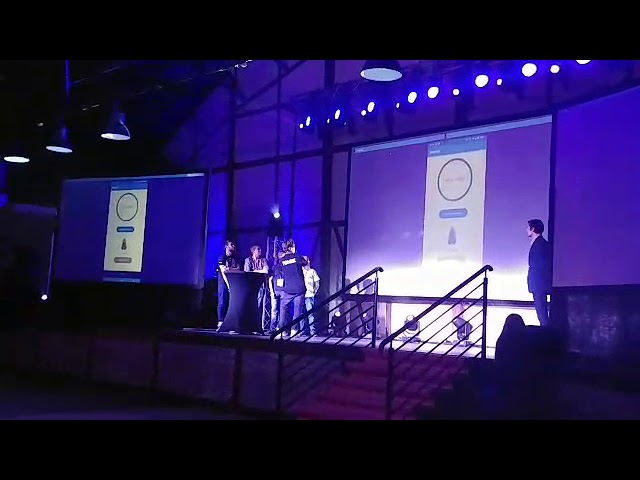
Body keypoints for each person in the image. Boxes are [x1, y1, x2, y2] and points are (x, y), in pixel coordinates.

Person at [277, 239, 307, 338]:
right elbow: (305, 262)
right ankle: (294, 330)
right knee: (297, 311)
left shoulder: (282, 260)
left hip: (288, 288)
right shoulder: (297, 256)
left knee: (283, 310)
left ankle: (281, 330)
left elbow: (280, 270)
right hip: (299, 288)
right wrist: (295, 253)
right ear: (292, 246)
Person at [526, 219, 552, 327]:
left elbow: (540, 266)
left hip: (539, 284)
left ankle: (545, 331)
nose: (526, 230)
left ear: (532, 229)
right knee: (541, 311)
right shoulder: (539, 243)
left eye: (528, 227)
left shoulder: (540, 245)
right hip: (538, 284)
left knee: (541, 311)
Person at [244, 245, 269, 331]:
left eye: (260, 249)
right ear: (253, 251)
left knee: (259, 306)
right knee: (250, 306)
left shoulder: (263, 260)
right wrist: (260, 272)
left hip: (261, 286)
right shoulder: (248, 260)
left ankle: (258, 327)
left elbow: (266, 271)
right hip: (250, 286)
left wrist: (255, 271)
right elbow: (247, 272)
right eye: (258, 250)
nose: (260, 251)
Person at [217, 240, 240, 325]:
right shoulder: (222, 257)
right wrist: (228, 284)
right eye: (231, 244)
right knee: (222, 301)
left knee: (231, 303)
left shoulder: (235, 258)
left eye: (234, 244)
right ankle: (220, 322)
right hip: (223, 283)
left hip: (233, 283)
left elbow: (238, 269)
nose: (233, 246)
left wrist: (229, 269)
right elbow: (224, 271)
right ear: (226, 246)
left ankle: (230, 322)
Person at [302, 255, 320, 336]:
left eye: (307, 260)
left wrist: (315, 291)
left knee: (310, 314)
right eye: (305, 260)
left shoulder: (312, 271)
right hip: (301, 295)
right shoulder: (300, 271)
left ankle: (312, 331)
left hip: (309, 295)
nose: (307, 261)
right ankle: (302, 331)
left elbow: (317, 282)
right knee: (301, 314)